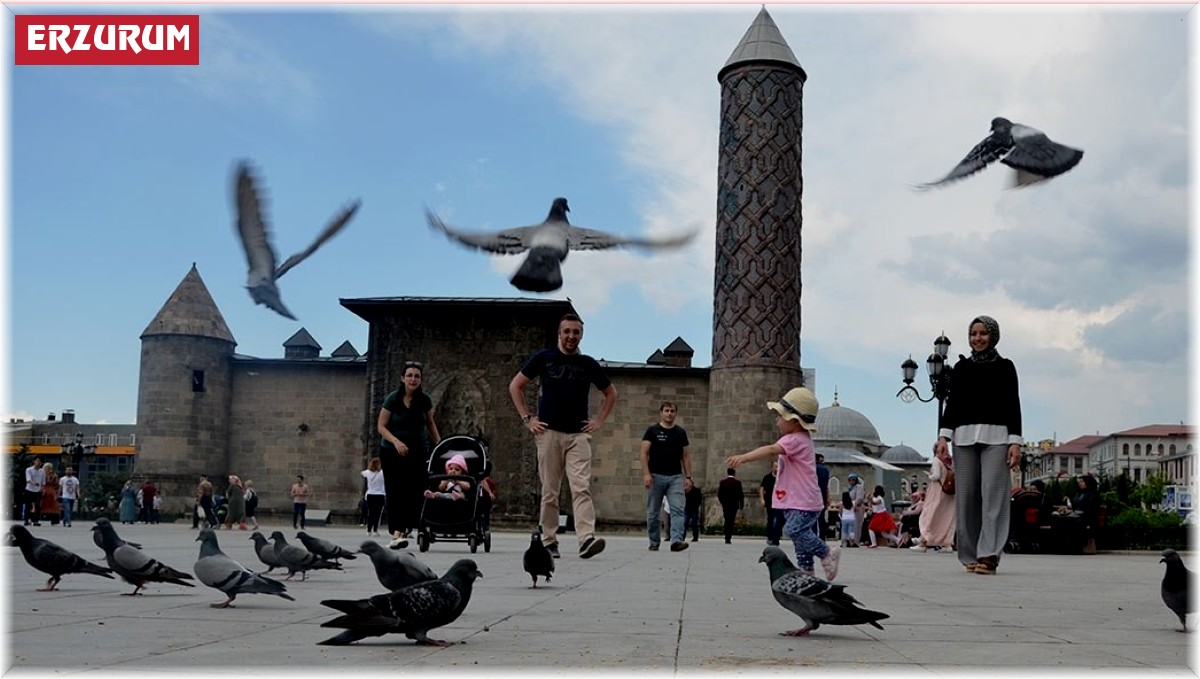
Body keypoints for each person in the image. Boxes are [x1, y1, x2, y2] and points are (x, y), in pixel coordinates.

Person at [510, 313, 616, 560]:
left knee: (581, 486)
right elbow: (515, 386)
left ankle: (586, 538)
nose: (571, 336)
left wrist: (599, 420)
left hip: (579, 435)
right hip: (549, 433)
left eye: (576, 332)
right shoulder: (544, 358)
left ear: (581, 335)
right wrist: (527, 418)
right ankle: (549, 540)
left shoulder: (588, 364)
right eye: (567, 331)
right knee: (550, 490)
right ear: (559, 333)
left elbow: (611, 393)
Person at [934, 314, 1023, 576]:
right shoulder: (961, 368)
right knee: (967, 498)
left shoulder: (1005, 367)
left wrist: (1015, 441)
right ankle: (970, 554)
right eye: (973, 334)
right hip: (963, 438)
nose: (978, 338)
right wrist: (943, 437)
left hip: (997, 437)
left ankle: (989, 555)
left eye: (983, 333)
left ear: (993, 336)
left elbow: (1013, 403)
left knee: (993, 497)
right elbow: (952, 403)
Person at [726, 387, 840, 580]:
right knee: (799, 540)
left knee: (796, 531)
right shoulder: (801, 439)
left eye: (780, 416)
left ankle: (827, 553)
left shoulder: (794, 439)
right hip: (798, 500)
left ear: (794, 421)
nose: (776, 421)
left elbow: (771, 450)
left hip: (802, 501)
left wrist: (744, 457)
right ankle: (807, 572)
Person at [377, 361, 442, 550]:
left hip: (417, 450)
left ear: (420, 380)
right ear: (402, 378)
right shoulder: (392, 399)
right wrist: (395, 441)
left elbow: (430, 423)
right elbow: (381, 426)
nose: (413, 379)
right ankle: (396, 533)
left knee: (415, 490)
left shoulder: (424, 400)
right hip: (392, 452)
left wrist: (440, 444)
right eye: (409, 375)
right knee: (395, 491)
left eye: (417, 376)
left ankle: (404, 528)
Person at [640, 401, 694, 552]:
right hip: (655, 476)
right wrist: (646, 474)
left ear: (676, 414)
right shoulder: (652, 431)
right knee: (653, 512)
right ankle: (654, 541)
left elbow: (685, 456)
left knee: (678, 509)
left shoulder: (680, 432)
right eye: (666, 411)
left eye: (672, 411)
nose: (669, 413)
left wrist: (688, 477)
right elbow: (644, 453)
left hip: (675, 477)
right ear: (661, 413)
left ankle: (676, 540)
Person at [913, 448, 956, 552]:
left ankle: (923, 541)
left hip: (937, 491)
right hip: (949, 493)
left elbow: (936, 476)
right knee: (946, 518)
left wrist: (929, 476)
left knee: (928, 516)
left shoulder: (937, 460)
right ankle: (947, 544)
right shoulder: (949, 461)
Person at [717, 467, 744, 544]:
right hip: (734, 504)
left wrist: (722, 502)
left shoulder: (723, 482)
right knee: (731, 520)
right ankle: (729, 536)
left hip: (726, 504)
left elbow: (719, 494)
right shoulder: (737, 482)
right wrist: (741, 504)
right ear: (734, 473)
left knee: (726, 519)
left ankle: (726, 535)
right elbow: (740, 494)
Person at [759, 461, 783, 546]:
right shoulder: (767, 477)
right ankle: (770, 537)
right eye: (775, 466)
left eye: (778, 466)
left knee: (779, 519)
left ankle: (777, 537)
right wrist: (762, 499)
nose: (777, 468)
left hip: (780, 502)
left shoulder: (781, 477)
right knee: (770, 519)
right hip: (770, 501)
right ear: (772, 467)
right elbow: (762, 488)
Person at [361, 457, 386, 536]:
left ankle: (369, 530)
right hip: (380, 495)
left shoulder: (367, 472)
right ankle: (375, 530)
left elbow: (362, 473)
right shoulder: (382, 473)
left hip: (370, 494)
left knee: (371, 513)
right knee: (378, 513)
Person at [23, 457, 44, 526]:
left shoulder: (42, 471)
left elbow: (43, 481)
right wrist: (33, 483)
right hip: (29, 489)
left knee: (37, 505)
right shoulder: (29, 469)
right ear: (34, 462)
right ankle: (26, 520)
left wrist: (42, 488)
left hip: (38, 491)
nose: (38, 463)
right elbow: (28, 479)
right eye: (37, 461)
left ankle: (36, 520)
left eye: (39, 461)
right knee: (28, 505)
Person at [846, 473, 866, 547]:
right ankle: (850, 540)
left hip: (857, 508)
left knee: (857, 525)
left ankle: (856, 541)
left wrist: (854, 504)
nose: (851, 481)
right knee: (850, 525)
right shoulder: (850, 488)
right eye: (850, 480)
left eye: (853, 480)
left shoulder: (859, 487)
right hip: (850, 508)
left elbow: (859, 498)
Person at [815, 453, 831, 539]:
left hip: (813, 494)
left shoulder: (812, 468)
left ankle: (813, 537)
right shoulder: (825, 469)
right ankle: (822, 537)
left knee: (812, 517)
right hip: (823, 494)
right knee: (821, 517)